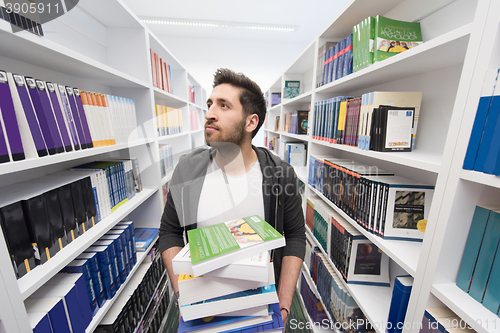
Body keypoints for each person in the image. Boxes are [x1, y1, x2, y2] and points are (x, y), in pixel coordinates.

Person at [158, 68, 306, 326]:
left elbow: (294, 236)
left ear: (251, 122)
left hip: (260, 308)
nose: (209, 114)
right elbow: (169, 231)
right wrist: (184, 295)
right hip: (203, 308)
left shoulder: (280, 174)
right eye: (210, 104)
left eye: (223, 106)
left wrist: (283, 305)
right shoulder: (187, 169)